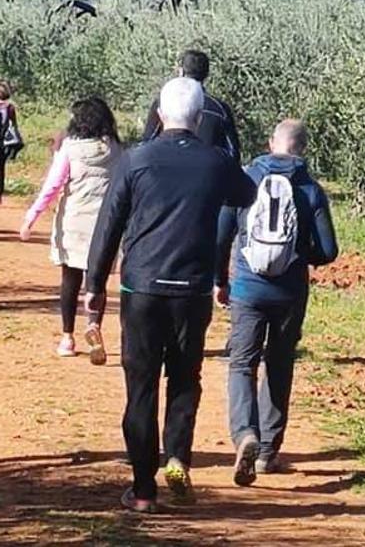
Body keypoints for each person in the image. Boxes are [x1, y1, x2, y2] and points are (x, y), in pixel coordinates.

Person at [86, 77, 255, 513]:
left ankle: (143, 489)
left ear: (159, 115)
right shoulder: (215, 162)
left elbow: (108, 227)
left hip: (141, 287)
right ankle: (177, 455)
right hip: (192, 290)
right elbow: (246, 192)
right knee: (184, 378)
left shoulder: (135, 160)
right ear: (199, 120)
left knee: (140, 386)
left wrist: (94, 288)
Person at [215, 119, 338, 486]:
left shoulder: (245, 179)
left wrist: (220, 280)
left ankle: (244, 433)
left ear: (271, 143)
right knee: (280, 364)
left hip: (248, 289)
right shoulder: (311, 189)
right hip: (289, 293)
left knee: (242, 363)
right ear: (303, 148)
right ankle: (268, 451)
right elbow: (329, 251)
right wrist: (301, 256)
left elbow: (221, 236)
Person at [20, 97, 121, 364]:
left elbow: (53, 186)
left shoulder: (70, 149)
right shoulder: (117, 149)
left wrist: (31, 217)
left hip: (74, 222)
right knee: (96, 281)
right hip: (106, 226)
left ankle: (67, 337)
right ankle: (94, 326)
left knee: (70, 280)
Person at [143, 50, 241, 163]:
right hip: (209, 174)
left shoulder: (164, 102)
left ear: (181, 72)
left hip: (165, 171)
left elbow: (147, 142)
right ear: (206, 75)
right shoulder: (220, 109)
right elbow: (233, 153)